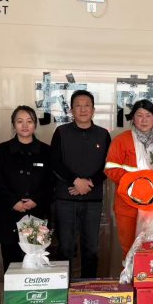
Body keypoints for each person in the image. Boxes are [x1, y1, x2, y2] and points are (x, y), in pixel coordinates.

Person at [50, 90, 111, 278]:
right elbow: (54, 162)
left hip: (92, 200)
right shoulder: (61, 132)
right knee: (65, 248)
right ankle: (64, 289)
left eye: (87, 105)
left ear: (93, 110)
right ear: (71, 110)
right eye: (78, 105)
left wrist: (88, 183)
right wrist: (75, 181)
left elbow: (109, 166)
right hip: (65, 199)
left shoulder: (103, 134)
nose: (83, 109)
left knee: (91, 248)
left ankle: (87, 289)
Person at [105, 99, 153, 258]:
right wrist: (136, 183)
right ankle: (130, 274)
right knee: (129, 247)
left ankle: (148, 274)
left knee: (152, 246)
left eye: (148, 115)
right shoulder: (121, 140)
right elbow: (110, 169)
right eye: (139, 115)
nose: (144, 120)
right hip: (128, 203)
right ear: (133, 118)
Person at [0, 106, 54, 272]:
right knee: (11, 263)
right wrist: (13, 201)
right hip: (9, 213)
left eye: (29, 121)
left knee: (35, 261)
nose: (25, 125)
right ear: (13, 124)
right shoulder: (2, 150)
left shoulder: (46, 151)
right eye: (20, 121)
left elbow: (51, 181)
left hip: (36, 214)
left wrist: (36, 200)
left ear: (35, 124)